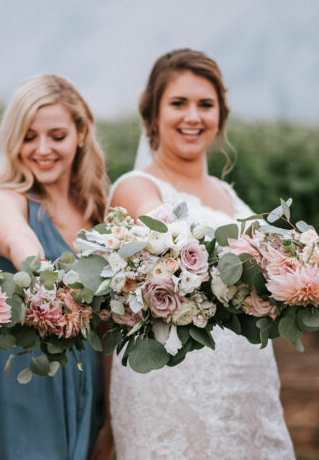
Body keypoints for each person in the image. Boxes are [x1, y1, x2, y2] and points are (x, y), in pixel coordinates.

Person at [107, 48, 295, 459]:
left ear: (220, 116)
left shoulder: (229, 195)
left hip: (247, 379)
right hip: (170, 381)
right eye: (178, 103)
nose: (193, 117)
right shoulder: (135, 187)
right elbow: (174, 242)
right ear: (153, 115)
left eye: (205, 105)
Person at [0, 74, 110, 460]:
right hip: (20, 380)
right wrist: (37, 268)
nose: (42, 149)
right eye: (29, 136)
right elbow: (18, 239)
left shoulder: (97, 215)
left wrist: (111, 418)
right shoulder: (3, 200)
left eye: (57, 136)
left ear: (81, 133)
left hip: (85, 381)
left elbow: (106, 327)